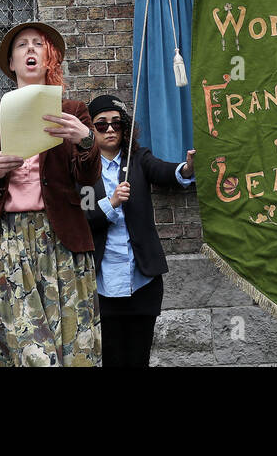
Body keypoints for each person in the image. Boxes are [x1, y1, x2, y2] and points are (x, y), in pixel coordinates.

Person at [0, 21, 102, 367]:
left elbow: (88, 178)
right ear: (11, 63)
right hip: (6, 242)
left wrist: (86, 139)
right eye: (21, 45)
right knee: (33, 354)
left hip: (62, 241)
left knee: (75, 350)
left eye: (37, 44)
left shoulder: (72, 112)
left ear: (49, 56)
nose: (29, 50)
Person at [83, 94, 195, 368]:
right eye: (101, 125)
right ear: (90, 130)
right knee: (111, 359)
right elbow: (84, 217)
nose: (110, 129)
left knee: (138, 359)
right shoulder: (84, 171)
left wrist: (187, 168)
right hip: (103, 286)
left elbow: (163, 171)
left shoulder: (138, 159)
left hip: (141, 282)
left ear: (125, 127)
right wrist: (111, 203)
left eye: (117, 124)